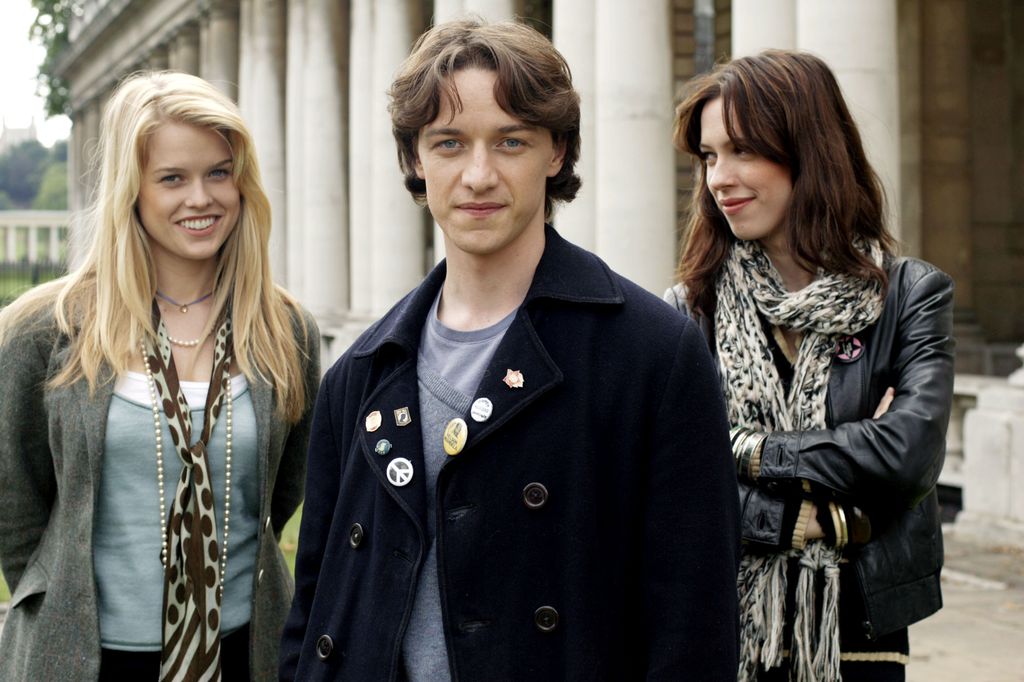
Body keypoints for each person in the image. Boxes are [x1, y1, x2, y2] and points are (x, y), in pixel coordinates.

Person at [280, 18, 739, 681]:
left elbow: (693, 633)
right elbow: (317, 606)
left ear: (556, 153)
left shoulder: (654, 357)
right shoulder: (360, 371)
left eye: (510, 141)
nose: (477, 175)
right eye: (448, 143)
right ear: (415, 159)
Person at [0, 71, 320, 681]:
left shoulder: (286, 329)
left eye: (218, 173)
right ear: (132, 190)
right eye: (172, 178)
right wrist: (56, 595)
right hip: (85, 660)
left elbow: (282, 493)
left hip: (244, 654)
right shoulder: (46, 329)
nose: (200, 198)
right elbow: (16, 502)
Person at [665, 50, 955, 681]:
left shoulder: (909, 297)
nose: (720, 177)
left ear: (810, 149)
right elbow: (669, 488)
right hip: (725, 644)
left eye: (743, 150)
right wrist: (809, 516)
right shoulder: (690, 311)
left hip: (861, 642)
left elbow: (908, 455)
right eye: (710, 156)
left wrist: (747, 452)